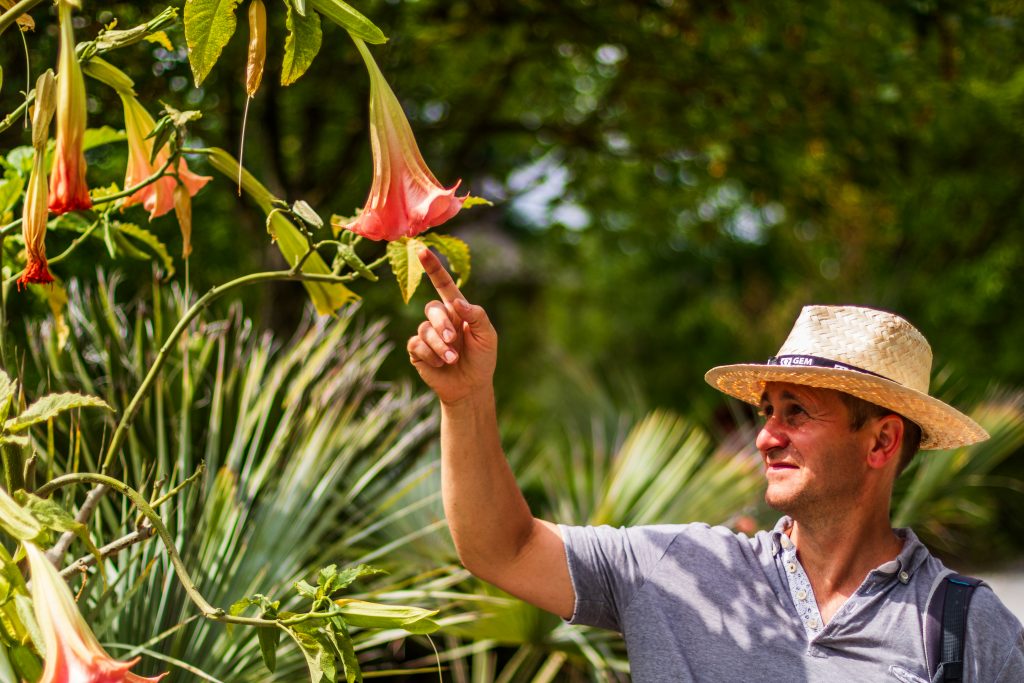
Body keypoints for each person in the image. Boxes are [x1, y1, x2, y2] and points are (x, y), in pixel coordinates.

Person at [406, 248, 1024, 682]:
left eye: (797, 413)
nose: (766, 438)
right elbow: (500, 549)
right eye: (768, 412)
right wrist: (466, 400)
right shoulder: (680, 570)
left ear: (882, 442)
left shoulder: (966, 630)